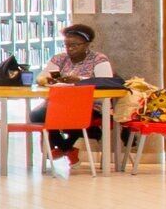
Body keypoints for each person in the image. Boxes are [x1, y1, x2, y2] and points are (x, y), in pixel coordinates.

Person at [40, 23, 116, 162]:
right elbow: (44, 77)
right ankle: (68, 148)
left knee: (69, 117)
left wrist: (79, 80)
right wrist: (47, 80)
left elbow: (105, 82)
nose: (70, 49)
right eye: (67, 45)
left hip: (90, 105)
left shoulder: (98, 59)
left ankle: (63, 148)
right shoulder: (60, 58)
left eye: (75, 45)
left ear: (87, 44)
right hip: (60, 102)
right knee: (37, 115)